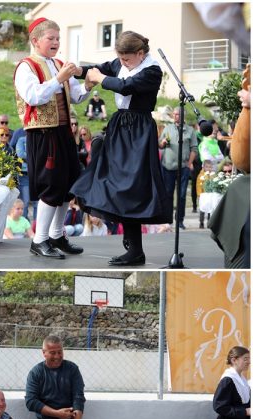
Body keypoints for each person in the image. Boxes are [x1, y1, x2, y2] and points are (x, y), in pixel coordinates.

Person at [72, 31, 171, 266]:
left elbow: (125, 86)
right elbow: (99, 68)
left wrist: (99, 78)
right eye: (121, 59)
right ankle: (131, 245)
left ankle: (135, 249)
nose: (122, 63)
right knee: (111, 180)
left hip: (137, 131)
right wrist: (78, 70)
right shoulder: (120, 63)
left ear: (140, 53)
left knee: (132, 187)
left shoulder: (152, 70)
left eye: (127, 59)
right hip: (120, 127)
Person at [14, 18, 89, 259]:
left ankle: (57, 234)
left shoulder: (58, 64)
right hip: (43, 133)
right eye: (51, 38)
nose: (56, 42)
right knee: (51, 184)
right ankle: (39, 239)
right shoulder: (26, 66)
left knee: (70, 183)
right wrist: (59, 79)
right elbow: (33, 96)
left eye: (58, 38)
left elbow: (75, 97)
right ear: (35, 41)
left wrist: (88, 83)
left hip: (64, 132)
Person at [25, 335, 86, 419]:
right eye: (52, 352)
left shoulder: (72, 369)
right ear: (44, 353)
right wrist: (56, 413)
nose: (57, 356)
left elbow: (78, 397)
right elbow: (30, 401)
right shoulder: (36, 373)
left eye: (60, 352)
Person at [158, 109, 198, 230]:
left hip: (183, 168)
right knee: (168, 194)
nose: (176, 116)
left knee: (181, 196)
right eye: (174, 114)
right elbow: (159, 144)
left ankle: (180, 221)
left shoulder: (190, 131)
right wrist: (163, 142)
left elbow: (194, 149)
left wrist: (189, 163)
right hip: (168, 166)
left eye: (178, 115)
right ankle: (168, 220)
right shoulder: (167, 128)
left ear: (183, 116)